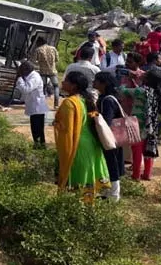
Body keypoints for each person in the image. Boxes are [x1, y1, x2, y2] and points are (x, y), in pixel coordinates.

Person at [54, 71, 110, 203]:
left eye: (66, 80)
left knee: (77, 179)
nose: (62, 82)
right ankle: (87, 212)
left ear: (74, 86)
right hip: (91, 144)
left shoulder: (69, 103)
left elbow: (67, 129)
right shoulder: (86, 100)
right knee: (87, 182)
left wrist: (56, 123)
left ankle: (75, 213)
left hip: (78, 146)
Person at [119, 69, 161, 181]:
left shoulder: (140, 91)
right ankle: (147, 174)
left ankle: (136, 175)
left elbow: (123, 91)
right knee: (148, 150)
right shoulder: (157, 93)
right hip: (152, 126)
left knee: (137, 151)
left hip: (139, 125)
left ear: (147, 79)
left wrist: (125, 81)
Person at [93, 71, 125, 201]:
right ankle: (108, 192)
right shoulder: (107, 97)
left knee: (112, 165)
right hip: (111, 137)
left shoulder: (107, 100)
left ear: (104, 84)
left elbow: (106, 120)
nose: (94, 83)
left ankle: (114, 195)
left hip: (110, 138)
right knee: (108, 164)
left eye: (96, 81)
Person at [15, 61, 49, 149]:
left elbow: (26, 89)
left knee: (38, 129)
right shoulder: (29, 76)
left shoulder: (35, 77)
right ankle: (38, 145)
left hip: (37, 107)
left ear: (26, 70)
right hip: (34, 106)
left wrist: (19, 79)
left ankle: (40, 147)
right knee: (35, 129)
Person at [30, 37, 60, 109]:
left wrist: (39, 63)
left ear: (39, 42)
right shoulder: (53, 48)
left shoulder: (38, 50)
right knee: (56, 86)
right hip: (53, 71)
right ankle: (56, 105)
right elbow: (57, 59)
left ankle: (41, 104)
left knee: (43, 87)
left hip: (42, 71)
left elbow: (34, 61)